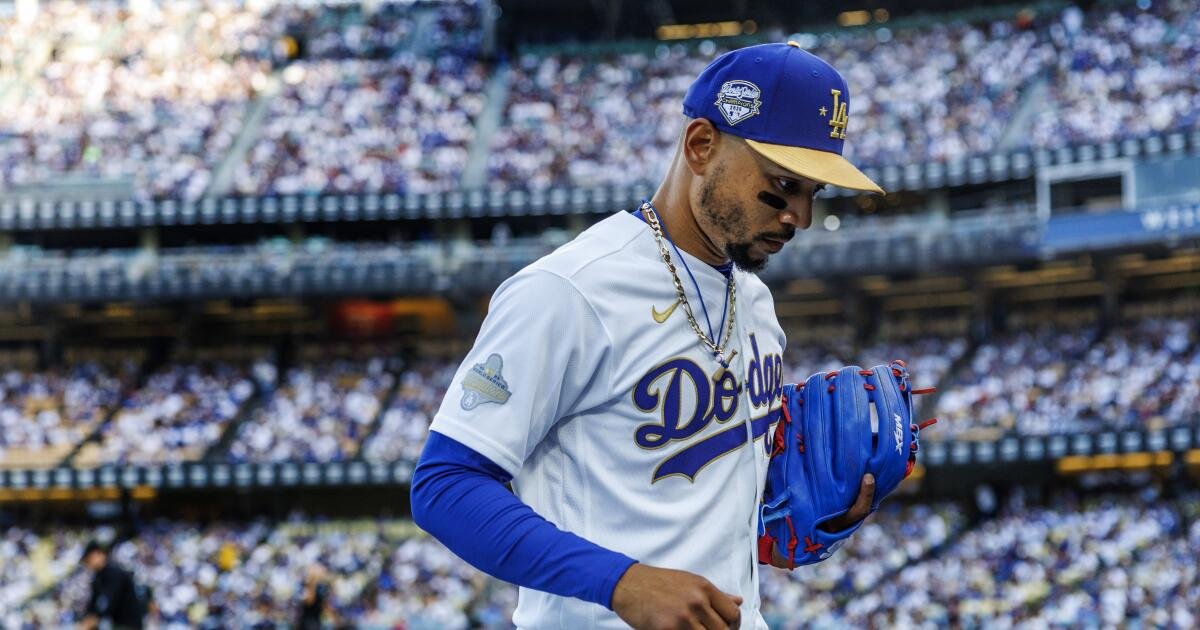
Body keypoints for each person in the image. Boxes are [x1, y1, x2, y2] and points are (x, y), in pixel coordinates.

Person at [411, 42, 885, 629]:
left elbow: (702, 511)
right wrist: (620, 581)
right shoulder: (569, 290)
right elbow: (444, 486)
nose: (800, 216)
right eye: (783, 183)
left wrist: (810, 516)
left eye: (814, 192)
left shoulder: (757, 303)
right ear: (701, 145)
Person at [79, 540, 148, 630]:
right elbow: (93, 604)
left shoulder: (114, 573)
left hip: (129, 624)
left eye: (89, 558)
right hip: (116, 623)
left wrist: (92, 620)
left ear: (99, 554)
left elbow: (107, 601)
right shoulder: (98, 578)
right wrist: (87, 619)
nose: (88, 563)